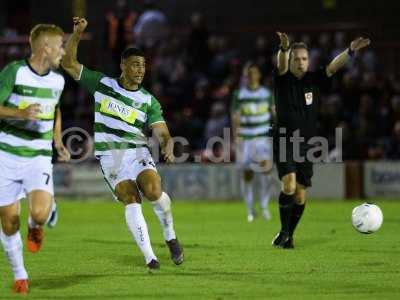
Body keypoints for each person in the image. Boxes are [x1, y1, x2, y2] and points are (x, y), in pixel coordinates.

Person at [61, 17, 183, 270]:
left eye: (143, 66)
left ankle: (170, 234)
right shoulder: (102, 84)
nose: (140, 70)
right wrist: (77, 34)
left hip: (137, 152)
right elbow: (68, 63)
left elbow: (161, 130)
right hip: (110, 157)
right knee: (130, 197)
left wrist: (168, 144)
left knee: (152, 191)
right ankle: (150, 257)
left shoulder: (148, 101)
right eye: (135, 65)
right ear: (123, 66)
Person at [272, 32, 370, 248]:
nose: (300, 62)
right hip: (284, 140)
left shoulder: (314, 79)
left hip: (307, 143)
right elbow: (280, 64)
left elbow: (333, 67)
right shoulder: (282, 79)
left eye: (304, 59)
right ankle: (285, 234)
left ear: (309, 60)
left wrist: (350, 51)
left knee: (300, 194)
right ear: (290, 60)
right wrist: (285, 48)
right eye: (296, 59)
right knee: (288, 185)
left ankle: (287, 233)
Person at [0, 24, 70, 294]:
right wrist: (20, 113)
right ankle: (20, 275)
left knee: (39, 214)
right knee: (8, 222)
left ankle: (37, 224)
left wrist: (58, 139)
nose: (63, 51)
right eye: (60, 46)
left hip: (38, 155)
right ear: (46, 48)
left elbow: (55, 108)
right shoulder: (14, 72)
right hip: (7, 155)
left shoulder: (58, 81)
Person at [231, 63, 274, 222]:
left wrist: (275, 131)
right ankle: (250, 209)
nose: (251, 76)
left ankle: (264, 206)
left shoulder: (266, 93)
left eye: (254, 73)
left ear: (259, 75)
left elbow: (274, 112)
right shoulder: (239, 94)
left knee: (266, 170)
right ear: (245, 76)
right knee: (247, 173)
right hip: (246, 138)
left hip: (263, 137)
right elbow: (235, 116)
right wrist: (236, 136)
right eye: (248, 74)